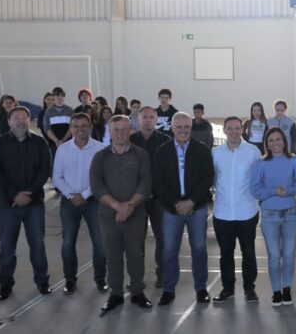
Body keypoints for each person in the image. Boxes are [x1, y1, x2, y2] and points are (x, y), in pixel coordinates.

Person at [0, 106, 52, 301]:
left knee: (38, 246)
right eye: (16, 118)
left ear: (29, 120)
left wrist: (29, 193)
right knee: (7, 248)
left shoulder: (40, 143)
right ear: (9, 121)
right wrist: (15, 194)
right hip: (7, 205)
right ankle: (5, 284)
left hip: (34, 203)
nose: (21, 122)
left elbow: (45, 170)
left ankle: (42, 281)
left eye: (24, 118)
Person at [90, 115, 153, 314]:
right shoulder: (100, 157)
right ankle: (115, 294)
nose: (120, 134)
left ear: (130, 131)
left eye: (124, 130)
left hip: (136, 214)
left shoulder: (141, 155)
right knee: (112, 256)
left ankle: (137, 292)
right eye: (116, 130)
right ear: (109, 132)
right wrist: (118, 206)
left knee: (135, 255)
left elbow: (146, 183)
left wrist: (129, 206)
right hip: (108, 216)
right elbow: (97, 186)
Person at [153, 113, 214, 306]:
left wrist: (192, 202)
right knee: (169, 250)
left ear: (191, 128)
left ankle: (201, 288)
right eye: (179, 127)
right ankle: (168, 290)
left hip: (197, 207)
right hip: (172, 209)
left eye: (186, 127)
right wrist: (175, 203)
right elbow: (158, 181)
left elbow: (207, 178)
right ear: (172, 128)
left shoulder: (202, 150)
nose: (183, 130)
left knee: (199, 249)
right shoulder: (162, 151)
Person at [250, 127, 296, 306]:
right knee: (274, 255)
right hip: (269, 216)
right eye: (271, 140)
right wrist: (273, 191)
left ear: (284, 141)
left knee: (289, 254)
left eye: (278, 139)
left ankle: (287, 288)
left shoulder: (294, 162)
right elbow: (255, 190)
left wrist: (288, 191)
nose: (275, 143)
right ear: (267, 144)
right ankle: (276, 290)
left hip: (290, 215)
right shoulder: (261, 164)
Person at [53, 113, 107, 295]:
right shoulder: (63, 150)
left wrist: (84, 195)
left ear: (90, 127)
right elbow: (57, 177)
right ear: (70, 129)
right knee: (68, 243)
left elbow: (101, 178)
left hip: (94, 202)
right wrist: (71, 196)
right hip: (69, 202)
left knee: (100, 243)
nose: (80, 130)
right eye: (75, 126)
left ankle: (100, 279)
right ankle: (70, 279)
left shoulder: (100, 149)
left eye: (84, 126)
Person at [211, 116, 262, 303]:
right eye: (230, 128)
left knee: (248, 252)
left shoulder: (253, 152)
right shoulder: (215, 153)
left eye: (237, 128)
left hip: (247, 212)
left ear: (242, 130)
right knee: (226, 254)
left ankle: (249, 288)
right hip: (222, 212)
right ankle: (228, 289)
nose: (234, 131)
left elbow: (259, 178)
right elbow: (212, 178)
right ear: (224, 130)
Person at [129, 106, 171, 287]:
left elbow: (168, 172)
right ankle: (136, 278)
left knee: (162, 238)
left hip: (158, 199)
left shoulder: (166, 141)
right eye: (144, 117)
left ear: (156, 120)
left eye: (151, 117)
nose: (147, 120)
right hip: (135, 200)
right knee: (136, 240)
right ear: (138, 120)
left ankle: (162, 275)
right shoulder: (130, 141)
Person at [43, 86, 74, 156]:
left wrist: (63, 140)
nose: (60, 97)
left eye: (62, 95)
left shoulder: (70, 110)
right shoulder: (49, 111)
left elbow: (72, 127)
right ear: (54, 97)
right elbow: (47, 128)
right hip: (53, 145)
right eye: (57, 95)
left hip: (68, 144)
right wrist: (56, 141)